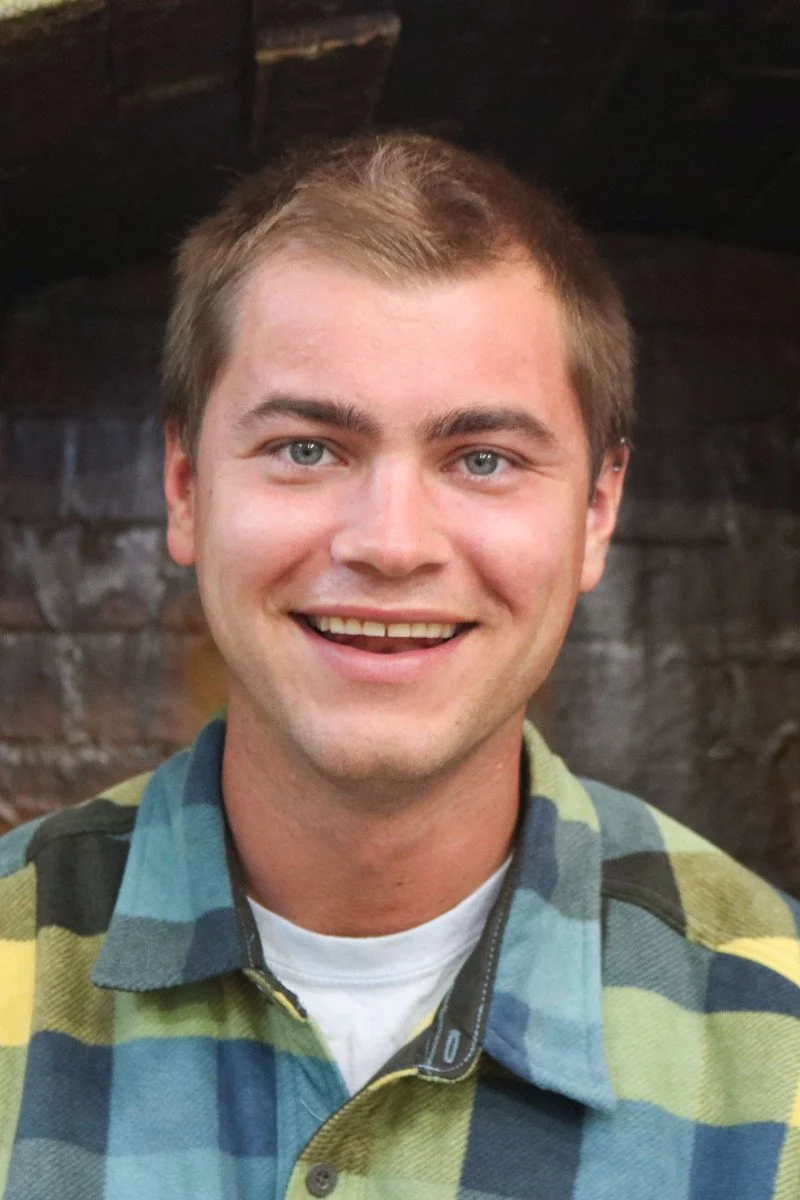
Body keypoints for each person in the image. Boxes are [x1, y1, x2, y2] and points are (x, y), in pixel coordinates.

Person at [1, 133, 798, 1200]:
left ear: (596, 511)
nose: (388, 542)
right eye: (306, 448)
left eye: (481, 460)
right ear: (186, 485)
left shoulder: (773, 1022)